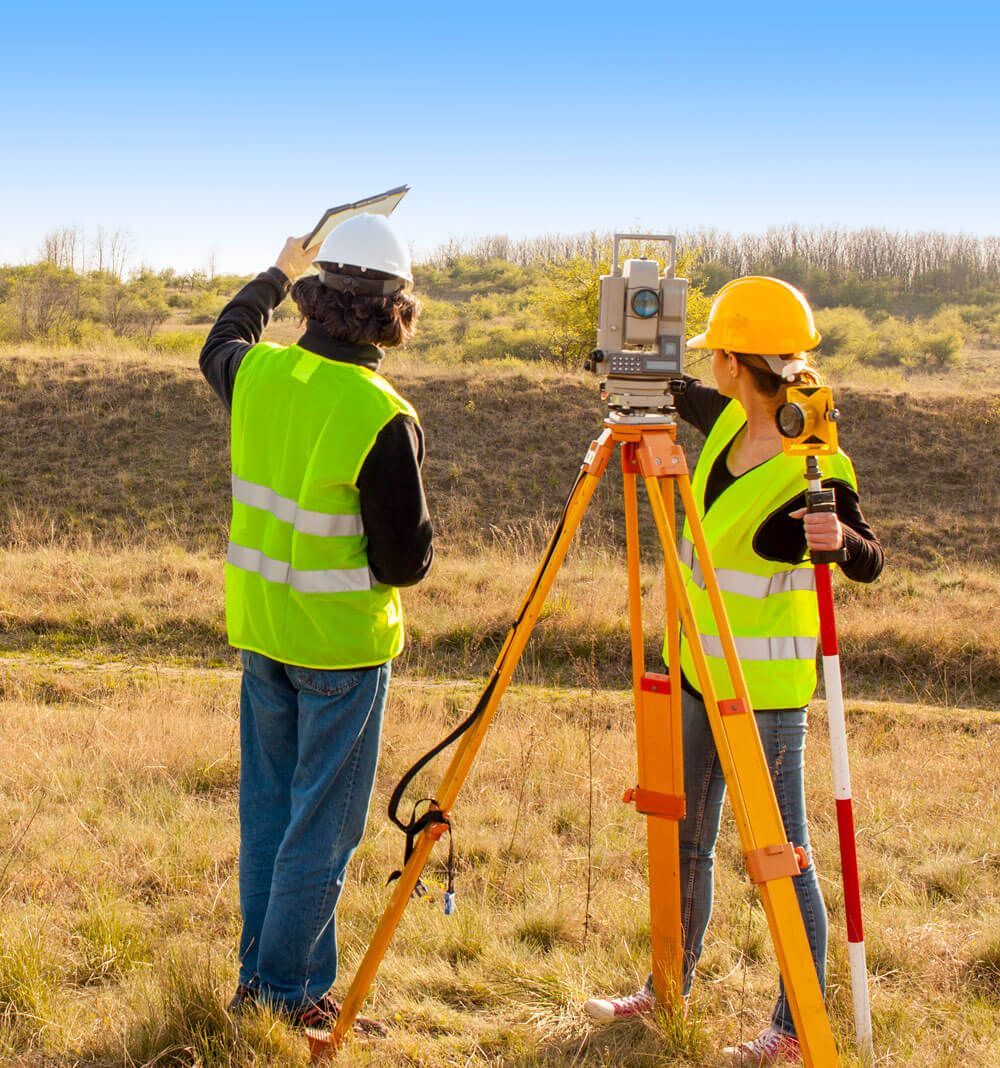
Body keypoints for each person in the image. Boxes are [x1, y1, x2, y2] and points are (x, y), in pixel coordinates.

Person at [583, 277, 883, 1065]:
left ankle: (793, 1029)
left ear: (735, 363)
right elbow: (675, 394)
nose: (707, 364)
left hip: (766, 698)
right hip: (694, 673)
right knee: (685, 838)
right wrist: (622, 365)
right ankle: (668, 987)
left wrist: (838, 541)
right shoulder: (725, 424)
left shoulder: (817, 459)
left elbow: (868, 559)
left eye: (716, 350)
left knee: (781, 861)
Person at [198, 214, 433, 1036]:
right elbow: (403, 563)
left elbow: (221, 339)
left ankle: (279, 978)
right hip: (340, 651)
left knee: (270, 817)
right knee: (320, 833)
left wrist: (273, 270)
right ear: (392, 313)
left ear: (313, 295)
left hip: (263, 635)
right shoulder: (381, 414)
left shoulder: (257, 374)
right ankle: (280, 993)